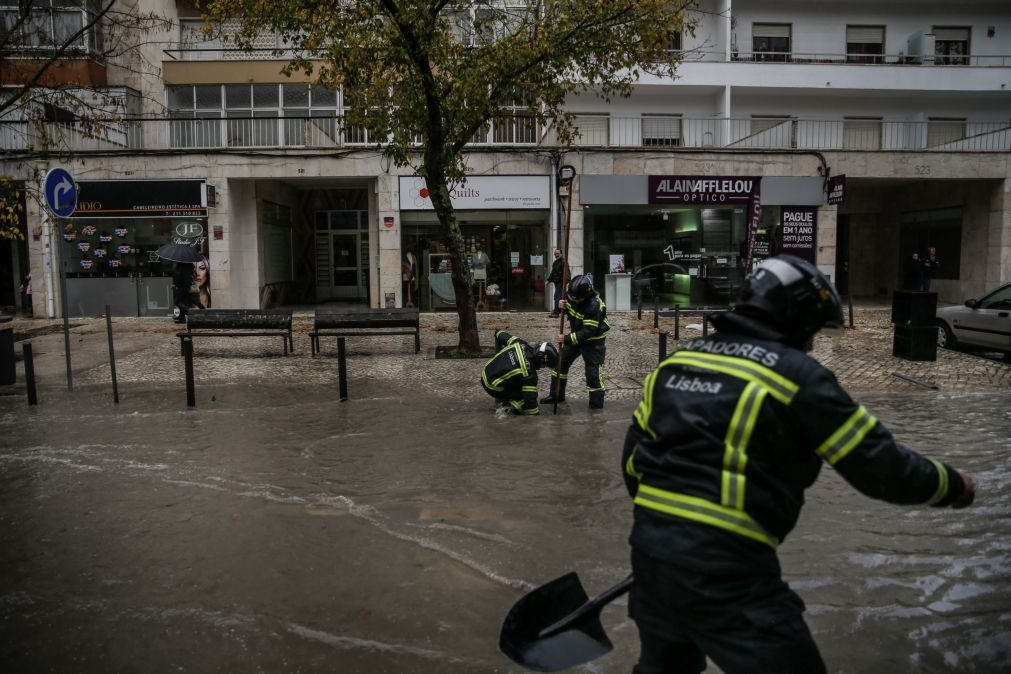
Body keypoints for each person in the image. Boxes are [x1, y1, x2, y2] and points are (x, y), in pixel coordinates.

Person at [621, 255, 976, 674]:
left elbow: (632, 465)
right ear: (794, 317)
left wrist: (668, 539)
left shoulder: (675, 364)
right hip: (730, 570)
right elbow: (879, 467)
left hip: (649, 558)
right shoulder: (797, 377)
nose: (810, 344)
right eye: (810, 331)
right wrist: (951, 484)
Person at [541, 273, 610, 409]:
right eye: (572, 297)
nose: (574, 300)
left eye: (577, 299)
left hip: (593, 342)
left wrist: (566, 339)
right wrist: (562, 306)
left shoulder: (594, 305)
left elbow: (588, 330)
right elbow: (573, 310)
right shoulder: (573, 293)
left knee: (592, 373)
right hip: (576, 337)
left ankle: (596, 405)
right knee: (559, 364)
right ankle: (556, 395)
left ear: (586, 295)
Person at [481, 330, 557, 416]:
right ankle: (507, 408)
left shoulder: (521, 344)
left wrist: (497, 333)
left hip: (486, 371)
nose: (542, 367)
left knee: (518, 380)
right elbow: (530, 399)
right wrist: (536, 419)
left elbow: (500, 334)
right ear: (539, 359)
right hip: (492, 386)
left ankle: (502, 398)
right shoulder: (529, 374)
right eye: (544, 365)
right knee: (523, 400)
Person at [546, 248, 569, 318]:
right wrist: (548, 280)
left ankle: (556, 312)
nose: (556, 255)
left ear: (561, 254)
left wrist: (566, 281)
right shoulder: (555, 263)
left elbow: (567, 273)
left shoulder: (563, 262)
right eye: (555, 253)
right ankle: (563, 310)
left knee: (557, 296)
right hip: (557, 282)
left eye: (558, 253)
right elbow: (553, 273)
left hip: (561, 282)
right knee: (562, 297)